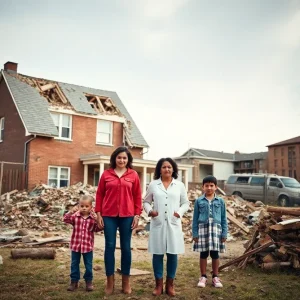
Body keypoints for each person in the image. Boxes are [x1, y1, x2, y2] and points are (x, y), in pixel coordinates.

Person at [95, 146, 142, 295]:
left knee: (126, 248)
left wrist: (137, 214)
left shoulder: (133, 175)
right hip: (108, 215)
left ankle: (126, 282)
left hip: (127, 216)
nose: (122, 160)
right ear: (114, 158)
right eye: (119, 157)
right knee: (109, 247)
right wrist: (98, 213)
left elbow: (137, 197)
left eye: (124, 158)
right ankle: (110, 283)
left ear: (128, 160)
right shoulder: (106, 174)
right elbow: (99, 194)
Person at [143, 158, 189, 297]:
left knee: (172, 254)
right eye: (164, 167)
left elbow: (185, 203)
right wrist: (150, 211)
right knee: (157, 254)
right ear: (159, 169)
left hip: (173, 223)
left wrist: (179, 213)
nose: (167, 169)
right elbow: (146, 202)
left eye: (169, 167)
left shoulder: (179, 185)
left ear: (173, 169)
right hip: (158, 223)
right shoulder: (153, 184)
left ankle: (170, 285)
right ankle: (158, 285)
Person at [192, 175, 228, 288]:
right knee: (203, 253)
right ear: (203, 187)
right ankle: (203, 276)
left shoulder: (220, 201)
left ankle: (215, 277)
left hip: (216, 230)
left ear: (216, 187)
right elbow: (195, 218)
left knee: (215, 254)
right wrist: (195, 233)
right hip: (203, 229)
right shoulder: (199, 201)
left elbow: (223, 218)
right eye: (206, 185)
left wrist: (224, 233)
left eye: (211, 185)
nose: (209, 188)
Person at [63, 195, 101, 292]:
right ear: (78, 206)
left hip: (87, 246)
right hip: (76, 245)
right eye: (82, 206)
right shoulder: (75, 216)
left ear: (91, 207)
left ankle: (88, 281)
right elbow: (65, 219)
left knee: (88, 264)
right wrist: (70, 211)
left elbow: (98, 229)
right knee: (74, 263)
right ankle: (74, 281)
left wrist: (97, 219)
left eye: (86, 206)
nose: (84, 208)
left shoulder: (92, 219)